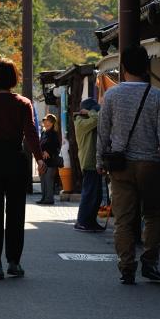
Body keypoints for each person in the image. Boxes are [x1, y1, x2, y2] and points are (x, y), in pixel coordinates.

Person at [97, 46, 160, 285]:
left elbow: (103, 132)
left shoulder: (111, 96)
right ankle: (150, 262)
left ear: (123, 68)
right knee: (153, 214)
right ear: (147, 67)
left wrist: (99, 160)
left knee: (123, 218)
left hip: (120, 165)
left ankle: (127, 266)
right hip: (150, 163)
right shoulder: (159, 96)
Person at [0, 59, 43, 280]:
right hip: (15, 158)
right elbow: (31, 133)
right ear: (14, 79)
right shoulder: (23, 103)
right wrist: (40, 158)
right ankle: (14, 261)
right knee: (15, 212)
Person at [73, 99, 104, 232]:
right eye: (93, 109)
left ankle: (91, 221)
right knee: (89, 193)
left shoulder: (87, 119)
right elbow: (98, 118)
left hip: (95, 162)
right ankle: (82, 221)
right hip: (88, 161)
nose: (95, 111)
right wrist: (91, 112)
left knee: (97, 195)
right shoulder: (80, 121)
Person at [36, 114, 62, 204]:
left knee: (48, 180)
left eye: (48, 121)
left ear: (52, 123)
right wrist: (42, 152)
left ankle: (49, 199)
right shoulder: (43, 133)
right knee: (43, 179)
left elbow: (57, 146)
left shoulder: (54, 134)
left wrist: (48, 152)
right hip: (43, 161)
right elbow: (39, 145)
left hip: (51, 161)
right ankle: (44, 198)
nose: (46, 123)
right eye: (45, 121)